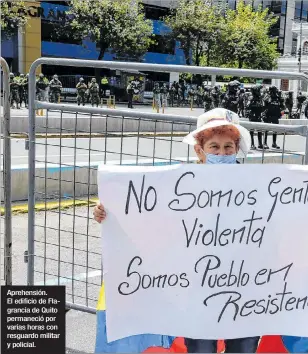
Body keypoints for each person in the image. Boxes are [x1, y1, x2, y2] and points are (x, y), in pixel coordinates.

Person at [93, 107, 262, 353]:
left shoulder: (258, 184)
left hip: (244, 284)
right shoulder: (178, 185)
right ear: (199, 149)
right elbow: (145, 214)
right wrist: (110, 211)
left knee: (243, 346)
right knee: (201, 347)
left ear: (237, 148)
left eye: (229, 147)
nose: (222, 152)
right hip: (196, 287)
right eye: (214, 146)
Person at [262, 85, 283, 149]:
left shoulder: (278, 97)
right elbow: (264, 106)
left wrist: (280, 113)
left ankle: (274, 143)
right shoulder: (267, 96)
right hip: (268, 115)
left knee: (275, 129)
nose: (275, 92)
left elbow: (281, 106)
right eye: (274, 90)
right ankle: (264, 143)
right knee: (266, 130)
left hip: (275, 115)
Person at [247, 84, 264, 150]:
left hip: (258, 115)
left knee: (259, 130)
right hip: (253, 115)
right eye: (259, 90)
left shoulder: (260, 98)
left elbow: (262, 106)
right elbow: (248, 107)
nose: (260, 91)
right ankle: (252, 144)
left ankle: (260, 143)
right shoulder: (251, 98)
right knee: (252, 131)